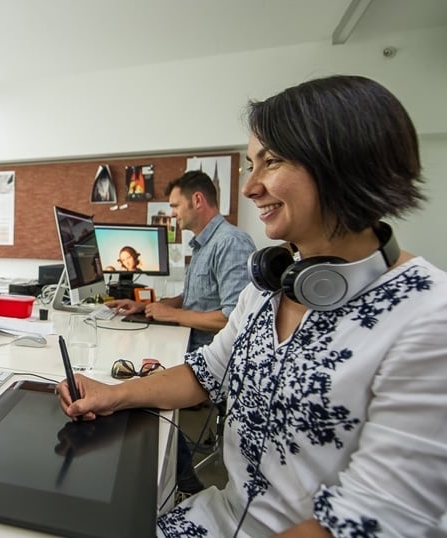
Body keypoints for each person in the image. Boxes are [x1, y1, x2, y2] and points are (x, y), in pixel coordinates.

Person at [57, 75, 447, 537]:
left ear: (344, 163)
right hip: (216, 517)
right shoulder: (269, 286)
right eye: (250, 164)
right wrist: (111, 393)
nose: (249, 187)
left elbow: (373, 521)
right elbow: (207, 372)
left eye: (272, 162)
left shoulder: (428, 314)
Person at [107, 170, 256, 353]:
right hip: (187, 346)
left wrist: (174, 315)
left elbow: (234, 318)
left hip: (211, 360)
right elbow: (191, 299)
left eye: (175, 206)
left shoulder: (230, 242)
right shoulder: (202, 245)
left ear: (197, 200)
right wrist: (146, 307)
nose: (172, 213)